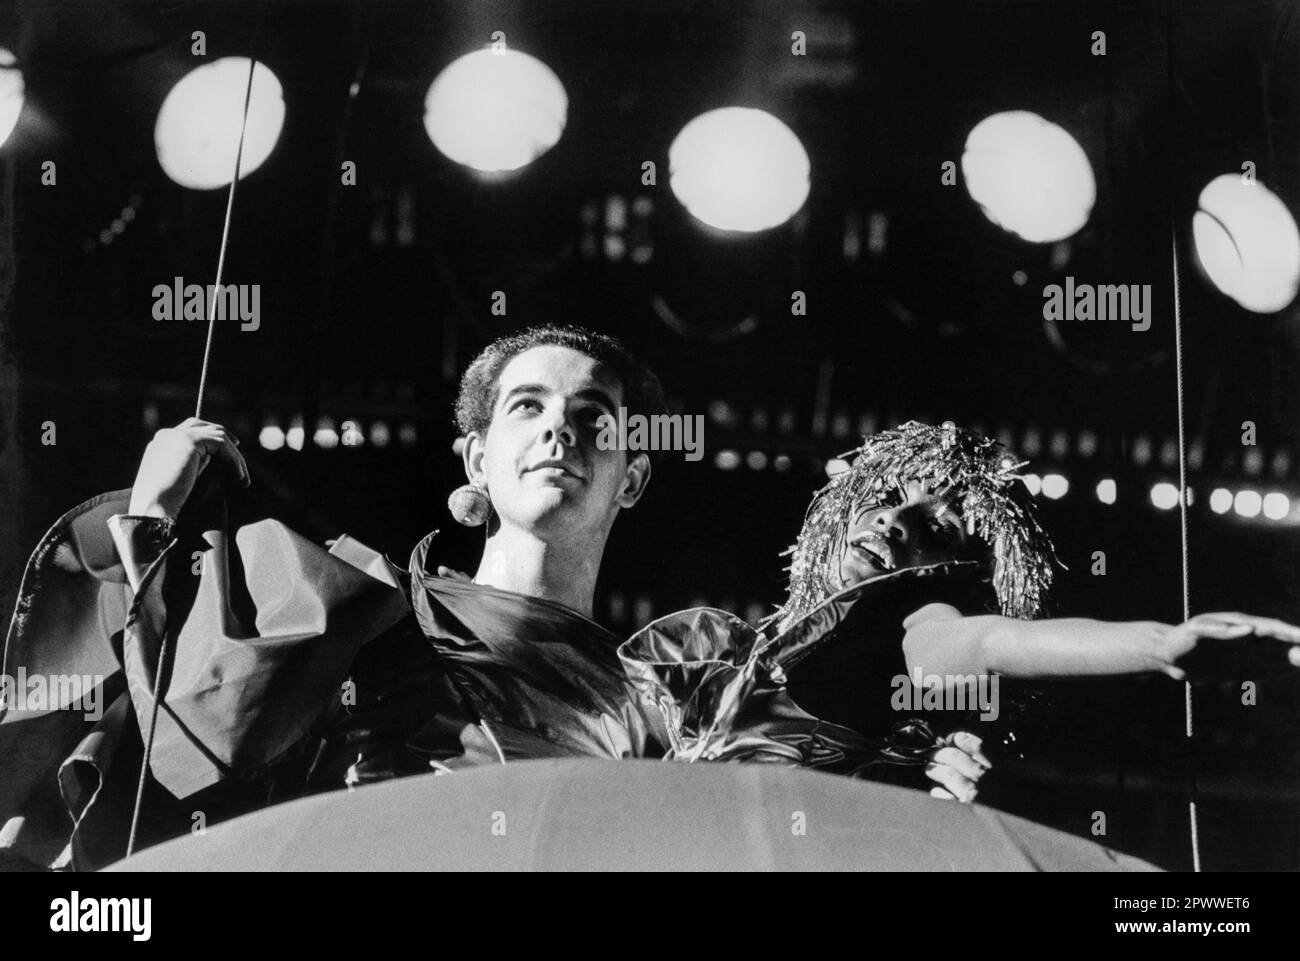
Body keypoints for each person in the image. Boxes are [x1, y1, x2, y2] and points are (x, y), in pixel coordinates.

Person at [619, 420, 1300, 803]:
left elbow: (995, 644)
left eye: (937, 529)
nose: (895, 523)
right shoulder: (719, 643)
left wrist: (1157, 645)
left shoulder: (911, 621)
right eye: (890, 496)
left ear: (954, 574)